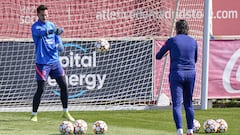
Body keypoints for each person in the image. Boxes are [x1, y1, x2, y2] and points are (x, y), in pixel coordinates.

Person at [30, 5, 75, 122]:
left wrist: (59, 44)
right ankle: (34, 114)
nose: (44, 17)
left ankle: (65, 111)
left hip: (55, 62)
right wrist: (53, 31)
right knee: (41, 88)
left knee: (64, 85)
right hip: (42, 63)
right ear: (38, 15)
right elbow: (42, 33)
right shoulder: (35, 27)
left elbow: (56, 37)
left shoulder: (51, 24)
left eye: (46, 14)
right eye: (42, 15)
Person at [156, 19, 198, 135]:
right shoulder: (193, 41)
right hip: (190, 73)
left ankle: (180, 131)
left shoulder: (171, 41)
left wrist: (168, 53)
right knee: (189, 103)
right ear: (187, 29)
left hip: (176, 74)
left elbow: (158, 56)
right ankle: (190, 130)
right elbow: (195, 59)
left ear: (176, 29)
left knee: (177, 104)